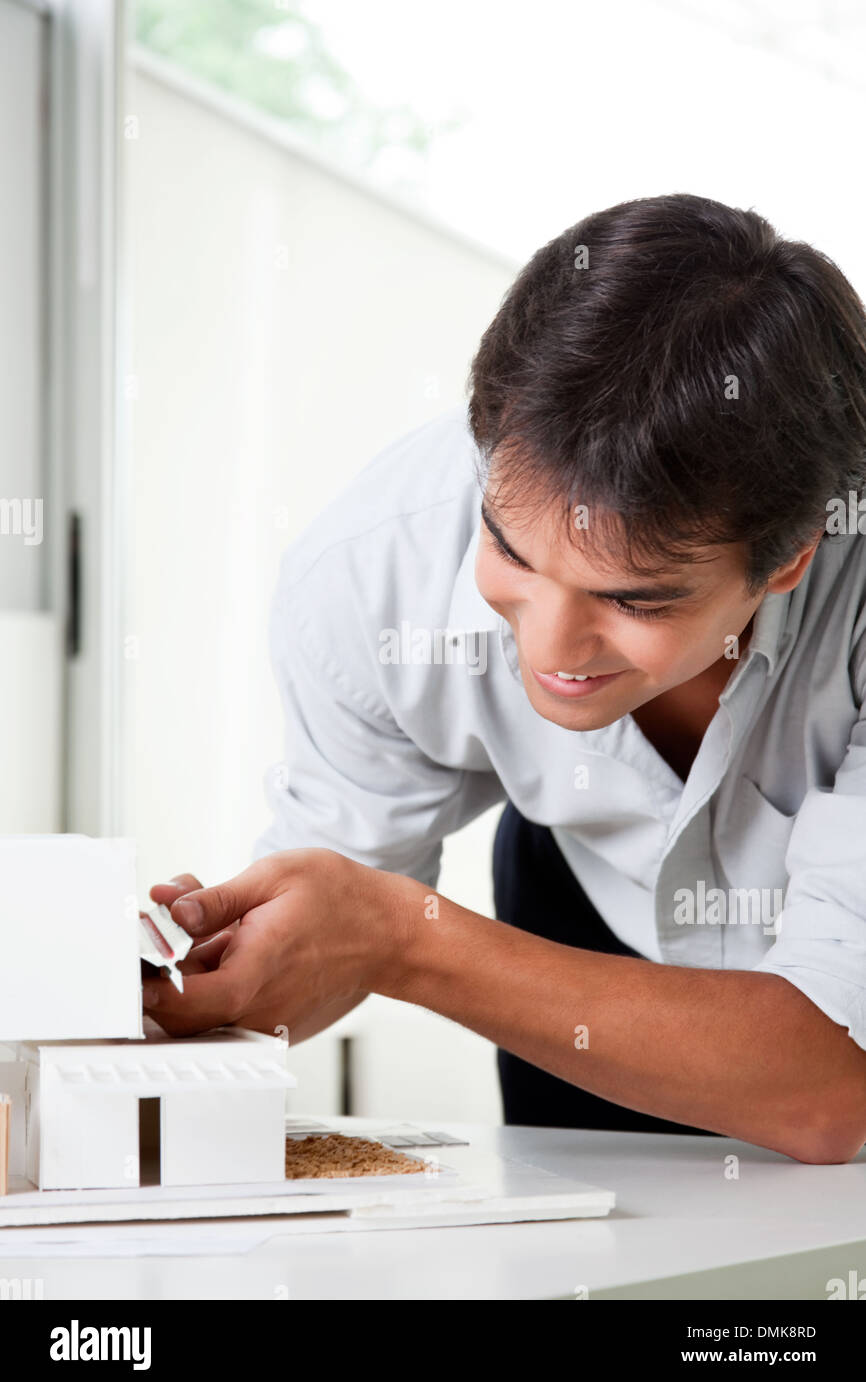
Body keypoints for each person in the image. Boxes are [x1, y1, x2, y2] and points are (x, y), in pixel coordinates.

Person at [142, 192, 866, 1162]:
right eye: (508, 553)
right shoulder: (371, 571)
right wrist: (193, 984)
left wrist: (405, 938)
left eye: (634, 601)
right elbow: (338, 916)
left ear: (788, 557)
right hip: (582, 910)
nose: (553, 647)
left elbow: (829, 1093)